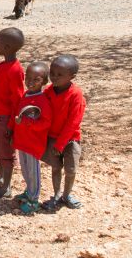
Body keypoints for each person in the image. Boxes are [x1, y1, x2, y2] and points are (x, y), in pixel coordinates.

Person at [41, 54, 86, 211]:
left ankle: (67, 195)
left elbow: (73, 122)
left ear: (71, 76)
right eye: (52, 73)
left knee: (70, 169)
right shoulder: (48, 91)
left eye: (60, 75)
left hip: (70, 139)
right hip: (52, 137)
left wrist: (61, 143)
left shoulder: (76, 95)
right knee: (55, 167)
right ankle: (56, 194)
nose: (54, 77)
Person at [0, 27, 26, 200]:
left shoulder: (15, 70)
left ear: (8, 47)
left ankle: (7, 186)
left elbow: (17, 100)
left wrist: (12, 125)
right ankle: (0, 179)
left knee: (6, 153)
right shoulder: (2, 65)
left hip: (4, 119)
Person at [10, 61, 52, 214]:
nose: (31, 82)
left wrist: (26, 122)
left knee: (33, 172)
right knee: (25, 170)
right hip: (23, 141)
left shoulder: (42, 100)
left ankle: (34, 200)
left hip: (33, 143)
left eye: (37, 79)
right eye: (28, 78)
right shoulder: (26, 95)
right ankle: (28, 191)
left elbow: (45, 123)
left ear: (44, 82)